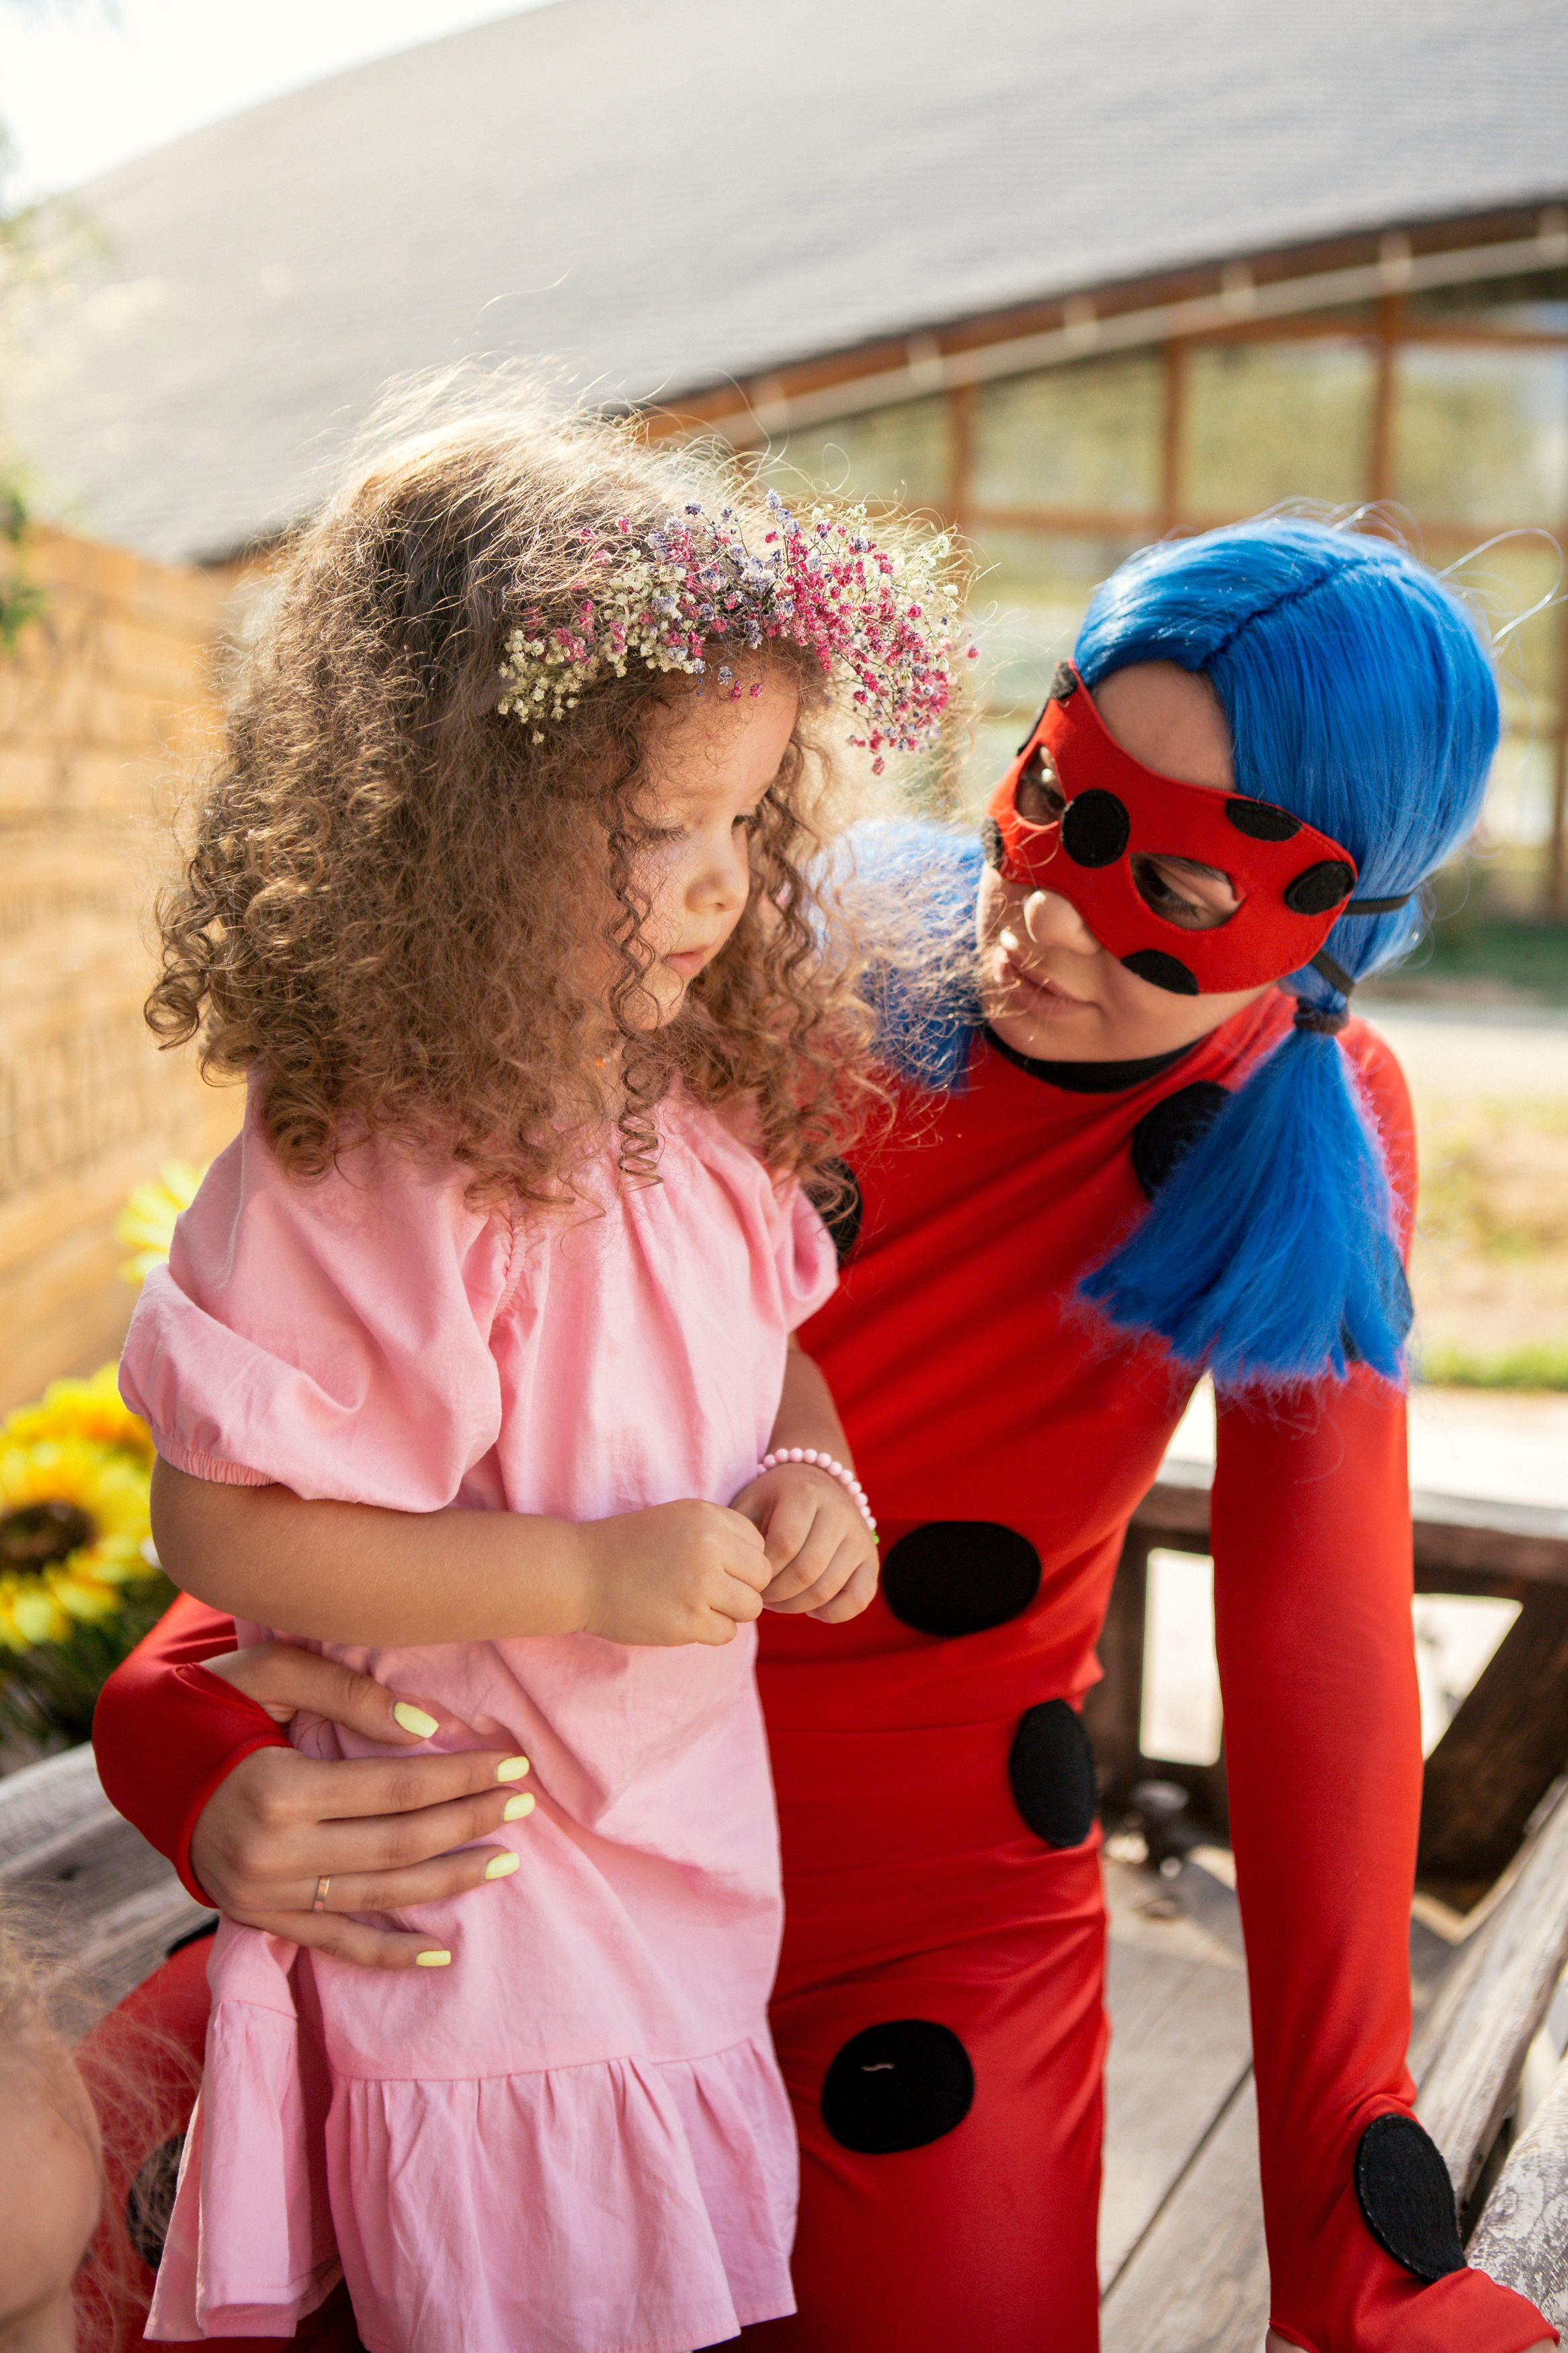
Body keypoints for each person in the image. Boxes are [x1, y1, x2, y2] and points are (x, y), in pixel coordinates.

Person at [95, 518, 1557, 2353]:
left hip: (921, 1916)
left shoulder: (1315, 1117)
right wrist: (184, 1729)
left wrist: (1353, 2220)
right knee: (120, 2222)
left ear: (1329, 920)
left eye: (1176, 897)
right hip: (525, 1832)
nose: (1048, 917)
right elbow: (366, 1414)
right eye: (1055, 803)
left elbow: (1317, 1642)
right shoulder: (774, 949)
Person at [106, 393, 971, 2353]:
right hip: (482, 1887)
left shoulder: (697, 1124)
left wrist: (815, 1483)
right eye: (650, 835)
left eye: (742, 825)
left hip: (672, 1883)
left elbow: (776, 1378)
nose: (714, 886)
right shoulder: (378, 1160)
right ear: (457, 834)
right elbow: (220, 1515)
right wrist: (583, 1580)